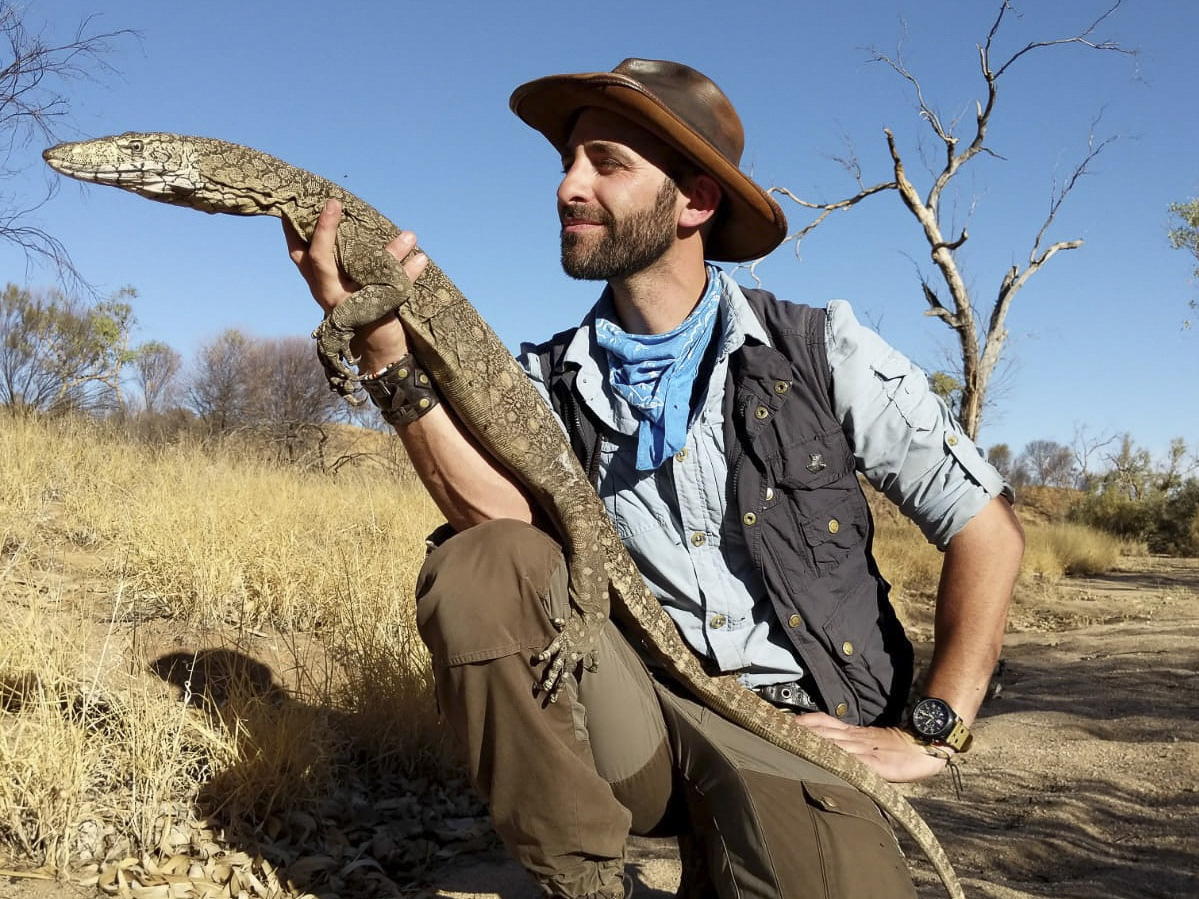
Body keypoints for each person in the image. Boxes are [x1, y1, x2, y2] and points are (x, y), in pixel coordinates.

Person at [285, 59, 1025, 899]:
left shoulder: (823, 349)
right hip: (636, 710)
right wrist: (387, 357)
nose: (568, 186)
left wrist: (933, 732)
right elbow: (502, 524)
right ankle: (585, 879)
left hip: (795, 724)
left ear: (695, 202)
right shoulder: (546, 381)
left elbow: (985, 528)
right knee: (479, 562)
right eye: (567, 163)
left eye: (606, 163)